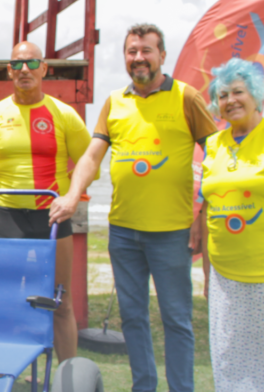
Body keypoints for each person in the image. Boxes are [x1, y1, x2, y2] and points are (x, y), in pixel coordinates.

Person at [49, 24, 217, 392]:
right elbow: (92, 156)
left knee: (176, 320)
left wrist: (202, 214)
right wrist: (73, 194)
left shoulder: (186, 97)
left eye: (146, 50)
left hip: (172, 233)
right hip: (123, 232)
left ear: (162, 55)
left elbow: (217, 156)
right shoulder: (114, 101)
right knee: (133, 319)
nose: (138, 58)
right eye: (132, 51)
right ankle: (143, 386)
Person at [0, 42, 91, 364]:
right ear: (9, 70)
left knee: (60, 301)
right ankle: (5, 370)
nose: (24, 70)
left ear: (44, 68)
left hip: (52, 217)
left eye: (32, 63)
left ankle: (68, 378)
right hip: (7, 218)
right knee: (4, 300)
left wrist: (72, 196)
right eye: (17, 64)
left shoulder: (64, 114)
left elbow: (91, 162)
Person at [199, 58, 264, 391]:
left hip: (261, 272)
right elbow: (209, 209)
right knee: (228, 361)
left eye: (238, 91)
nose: (230, 100)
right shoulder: (214, 144)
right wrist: (209, 275)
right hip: (225, 275)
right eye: (222, 95)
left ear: (256, 93)